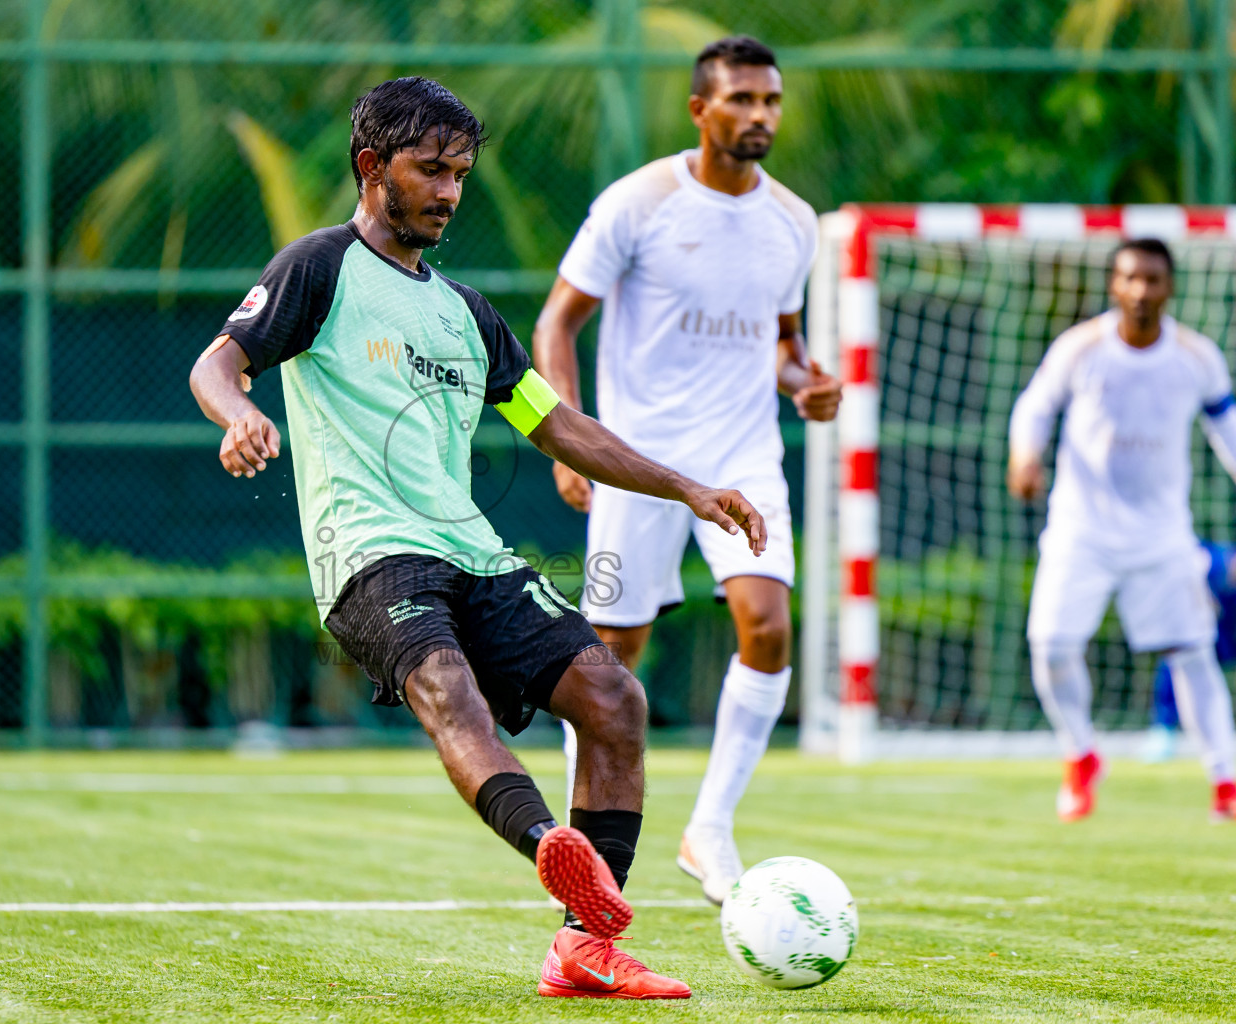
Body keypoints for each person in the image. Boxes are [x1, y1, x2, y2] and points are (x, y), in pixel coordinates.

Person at [189, 77, 769, 999]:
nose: (450, 192)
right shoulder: (319, 267)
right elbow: (219, 363)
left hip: (475, 550)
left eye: (460, 173)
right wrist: (237, 416)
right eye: (431, 170)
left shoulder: (468, 312)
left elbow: (558, 426)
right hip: (371, 551)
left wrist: (688, 488)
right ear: (372, 166)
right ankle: (552, 847)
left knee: (615, 700)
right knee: (445, 684)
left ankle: (586, 947)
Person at [532, 36, 840, 904]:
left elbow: (782, 347)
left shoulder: (794, 221)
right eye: (742, 100)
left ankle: (710, 830)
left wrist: (806, 385)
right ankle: (582, 843)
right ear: (701, 110)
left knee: (768, 624)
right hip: (637, 459)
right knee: (610, 656)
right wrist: (570, 435)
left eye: (771, 101)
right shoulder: (640, 202)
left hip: (744, 454)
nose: (760, 116)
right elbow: (558, 323)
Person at [1008, 238, 1236, 823]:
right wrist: (1025, 456)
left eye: (1153, 280)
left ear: (1169, 287)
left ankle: (1226, 780)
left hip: (1161, 536)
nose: (1141, 291)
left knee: (1192, 653)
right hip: (1080, 530)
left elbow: (1226, 428)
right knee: (1051, 647)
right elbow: (1035, 406)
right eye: (1130, 278)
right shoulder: (1081, 348)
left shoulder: (1196, 357)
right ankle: (1081, 754)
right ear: (1114, 285)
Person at [1142, 540, 1236, 764]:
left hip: (1229, 637)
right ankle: (1163, 731)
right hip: (1207, 634)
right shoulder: (1206, 561)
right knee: (1177, 655)